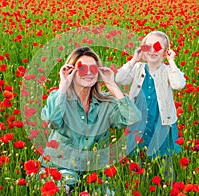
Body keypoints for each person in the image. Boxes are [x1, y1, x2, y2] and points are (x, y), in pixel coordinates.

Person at [39, 46, 141, 194]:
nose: (88, 72)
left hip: (92, 171)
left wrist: (112, 85)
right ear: (71, 71)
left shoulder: (106, 103)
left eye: (93, 68)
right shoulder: (60, 98)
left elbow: (132, 118)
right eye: (81, 68)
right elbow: (52, 120)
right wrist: (63, 86)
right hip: (59, 168)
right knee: (66, 189)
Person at [115, 31, 186, 182]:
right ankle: (139, 184)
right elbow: (120, 78)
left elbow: (179, 84)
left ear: (166, 51)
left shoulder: (167, 71)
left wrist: (171, 61)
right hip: (138, 119)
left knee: (164, 156)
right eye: (148, 46)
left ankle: (169, 185)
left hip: (161, 120)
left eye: (158, 46)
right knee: (137, 155)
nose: (153, 50)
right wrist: (134, 60)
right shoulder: (137, 68)